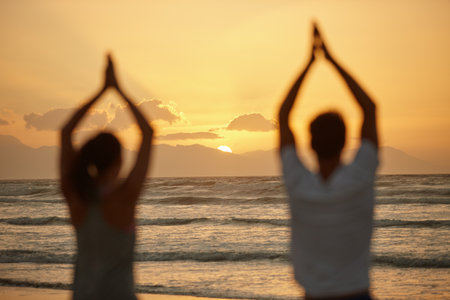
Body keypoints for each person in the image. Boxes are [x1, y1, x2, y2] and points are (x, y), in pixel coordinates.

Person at [278, 24, 379, 300]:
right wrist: (331, 60)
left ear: (309, 144)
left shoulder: (298, 183)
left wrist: (309, 63)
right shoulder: (359, 177)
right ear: (347, 142)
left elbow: (283, 114)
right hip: (358, 294)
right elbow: (369, 109)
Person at [60, 55, 153, 300]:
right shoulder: (124, 197)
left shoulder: (76, 194)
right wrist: (117, 89)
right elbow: (148, 131)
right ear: (119, 161)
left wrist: (101, 91)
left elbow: (66, 132)